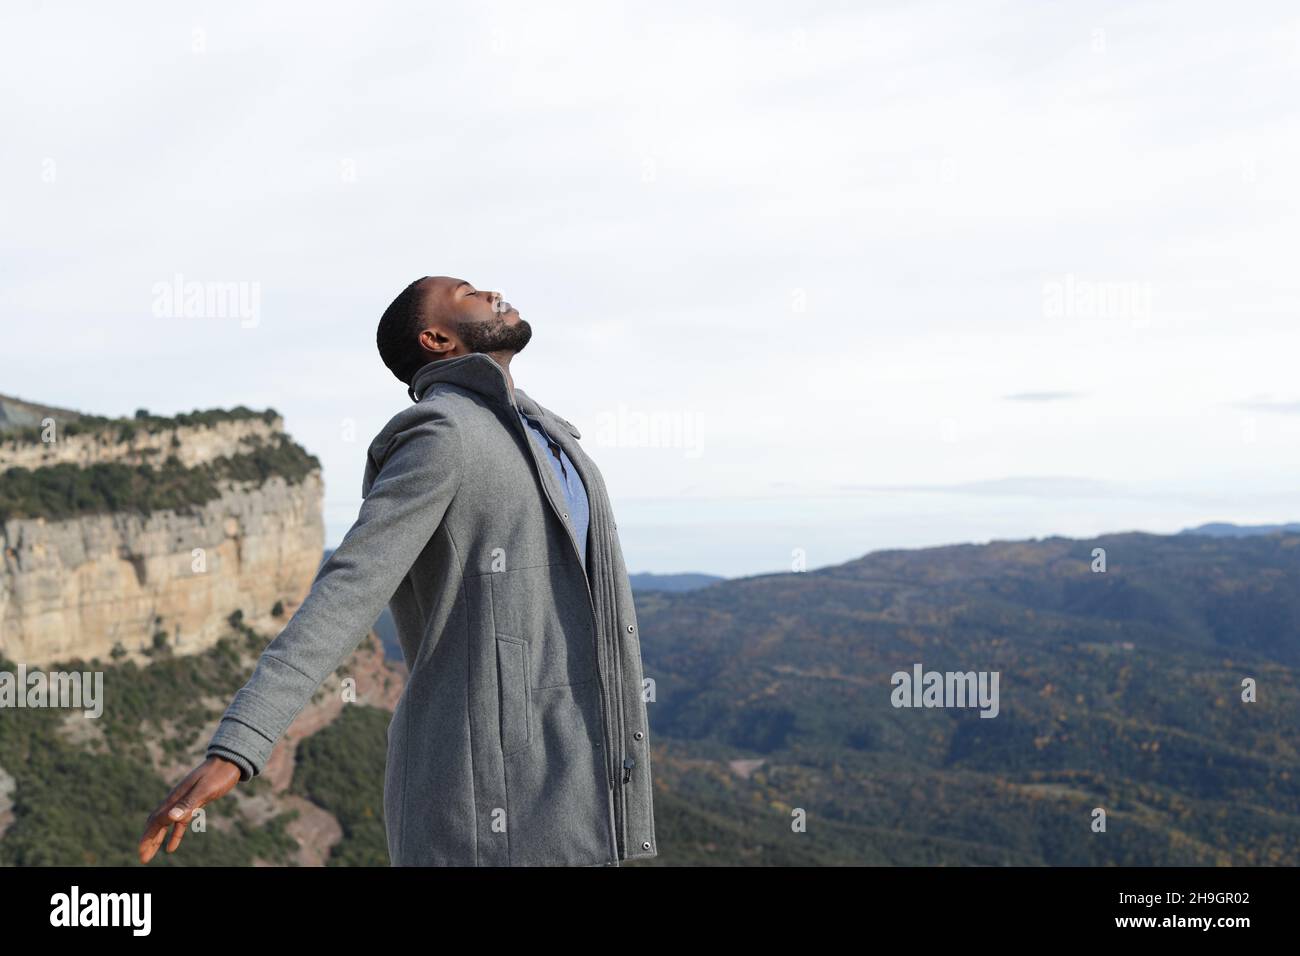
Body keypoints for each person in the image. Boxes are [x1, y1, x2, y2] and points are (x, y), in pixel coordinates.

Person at [138, 276, 657, 866]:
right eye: (467, 293)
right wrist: (239, 745)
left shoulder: (552, 437)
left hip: (575, 777)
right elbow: (348, 588)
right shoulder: (441, 433)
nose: (492, 291)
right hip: (487, 796)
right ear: (436, 338)